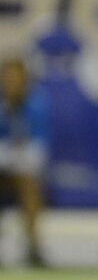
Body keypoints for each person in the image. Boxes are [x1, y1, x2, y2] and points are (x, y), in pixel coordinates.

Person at [0, 56, 51, 266]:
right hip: (4, 172)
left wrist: (10, 155)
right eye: (7, 79)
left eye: (15, 79)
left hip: (27, 172)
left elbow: (39, 151)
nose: (11, 84)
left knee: (28, 182)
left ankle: (33, 247)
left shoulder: (38, 106)